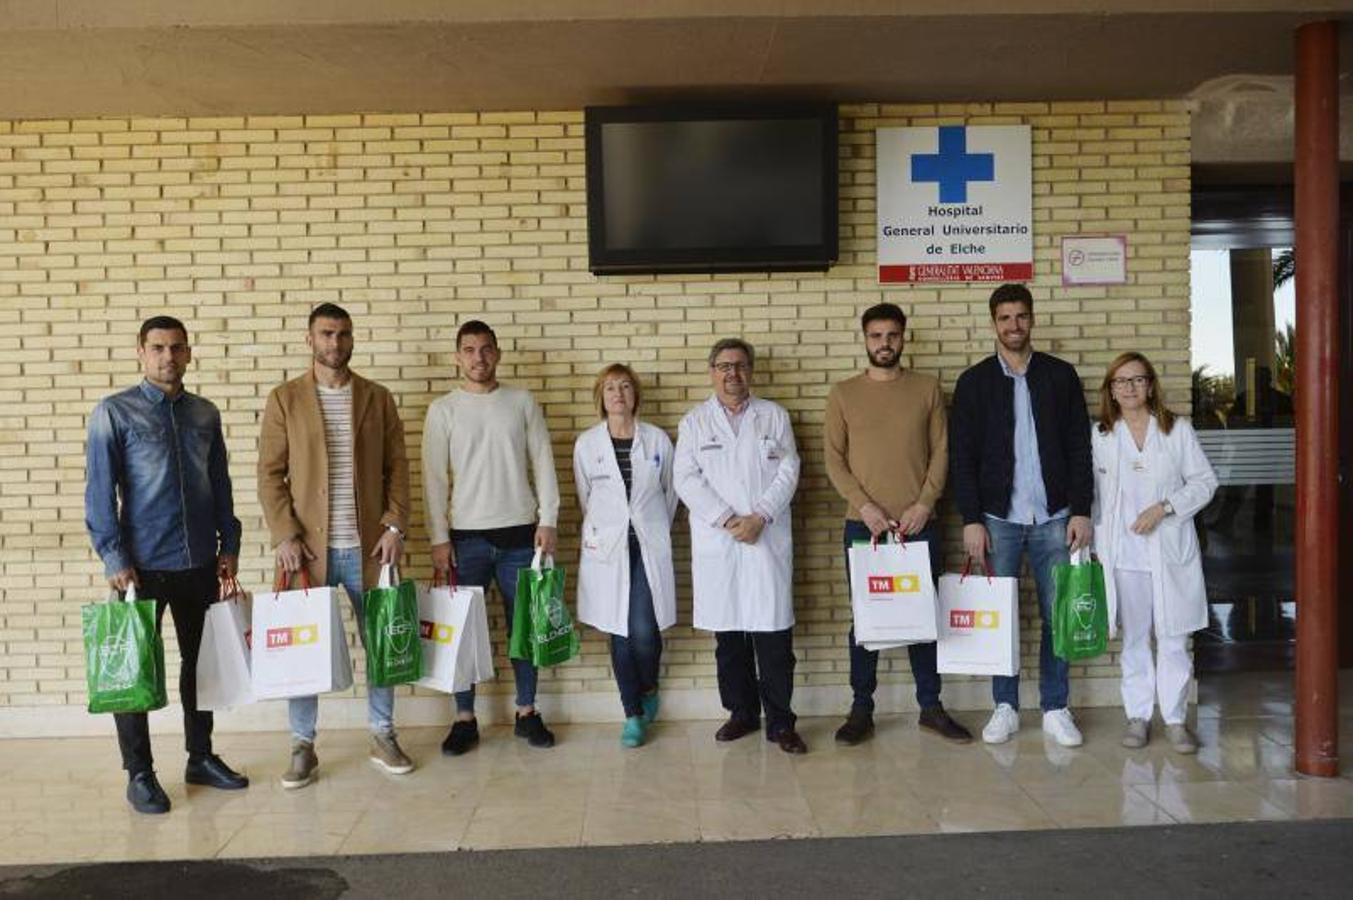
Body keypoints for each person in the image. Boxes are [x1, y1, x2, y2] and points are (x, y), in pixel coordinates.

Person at [85, 315, 248, 814]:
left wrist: (230, 543)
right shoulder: (114, 413)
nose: (168, 357)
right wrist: (114, 555)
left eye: (177, 348)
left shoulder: (204, 414)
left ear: (189, 353)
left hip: (199, 560)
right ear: (140, 352)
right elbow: (98, 493)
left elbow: (219, 483)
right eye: (158, 348)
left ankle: (200, 757)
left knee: (200, 667)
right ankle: (139, 774)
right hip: (140, 568)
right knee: (132, 670)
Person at [258, 303, 413, 787]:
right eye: (326, 334)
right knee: (302, 650)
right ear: (310, 339)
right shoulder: (285, 400)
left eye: (343, 334)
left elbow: (398, 468)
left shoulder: (376, 398)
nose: (336, 343)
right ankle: (302, 745)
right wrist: (284, 534)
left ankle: (383, 733)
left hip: (369, 549)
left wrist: (395, 527)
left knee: (383, 643)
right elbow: (269, 473)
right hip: (308, 552)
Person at [950, 283, 1094, 748]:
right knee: (998, 616)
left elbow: (1078, 447)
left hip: (1055, 517)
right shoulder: (974, 383)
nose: (1014, 325)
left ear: (1032, 319)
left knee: (1058, 615)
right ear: (993, 323)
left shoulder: (1060, 375)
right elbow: (962, 457)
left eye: (1021, 316)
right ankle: (1005, 706)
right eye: (1005, 318)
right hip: (998, 519)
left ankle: (1055, 707)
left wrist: (1082, 511)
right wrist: (971, 518)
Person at [826, 303, 972, 745]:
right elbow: (834, 459)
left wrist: (925, 504)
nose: (884, 343)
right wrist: (865, 507)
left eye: (891, 335)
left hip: (918, 525)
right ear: (865, 339)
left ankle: (930, 707)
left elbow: (943, 451)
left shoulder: (927, 389)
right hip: (863, 527)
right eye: (876, 336)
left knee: (922, 618)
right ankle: (861, 709)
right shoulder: (843, 393)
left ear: (903, 338)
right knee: (865, 622)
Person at [422, 320, 561, 754]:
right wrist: (438, 538)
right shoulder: (443, 410)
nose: (478, 358)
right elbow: (432, 480)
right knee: (461, 633)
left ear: (497, 353)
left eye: (485, 349)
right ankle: (465, 718)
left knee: (526, 629)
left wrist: (549, 518)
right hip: (466, 540)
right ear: (457, 357)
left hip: (522, 536)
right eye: (469, 350)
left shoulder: (521, 402)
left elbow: (543, 460)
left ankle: (527, 711)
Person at [674, 338, 806, 754]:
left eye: (740, 365)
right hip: (721, 542)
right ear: (712, 371)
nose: (732, 373)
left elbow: (789, 469)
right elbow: (686, 478)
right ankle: (741, 714)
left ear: (751, 371)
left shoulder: (774, 416)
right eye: (724, 366)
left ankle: (781, 721)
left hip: (765, 538)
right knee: (729, 640)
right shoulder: (695, 422)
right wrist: (729, 520)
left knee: (773, 639)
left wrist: (760, 516)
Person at [1091, 352, 1217, 754]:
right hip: (1124, 554)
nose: (1129, 388)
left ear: (1150, 385)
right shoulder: (1102, 435)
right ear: (1111, 389)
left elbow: (1204, 482)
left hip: (1168, 550)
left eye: (1137, 379)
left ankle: (1176, 720)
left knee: (1174, 637)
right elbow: (1094, 495)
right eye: (1121, 381)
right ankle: (1138, 716)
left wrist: (1165, 507)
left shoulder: (1175, 429)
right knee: (1135, 640)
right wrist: (1092, 543)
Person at [573, 364, 679, 748]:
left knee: (645, 633)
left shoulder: (657, 441)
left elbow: (671, 494)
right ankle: (632, 713)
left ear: (635, 395)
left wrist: (648, 527)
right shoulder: (587, 444)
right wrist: (610, 530)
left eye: (625, 387)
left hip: (647, 544)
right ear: (601, 397)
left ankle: (648, 687)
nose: (618, 394)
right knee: (618, 631)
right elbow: (586, 498)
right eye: (610, 388)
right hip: (608, 549)